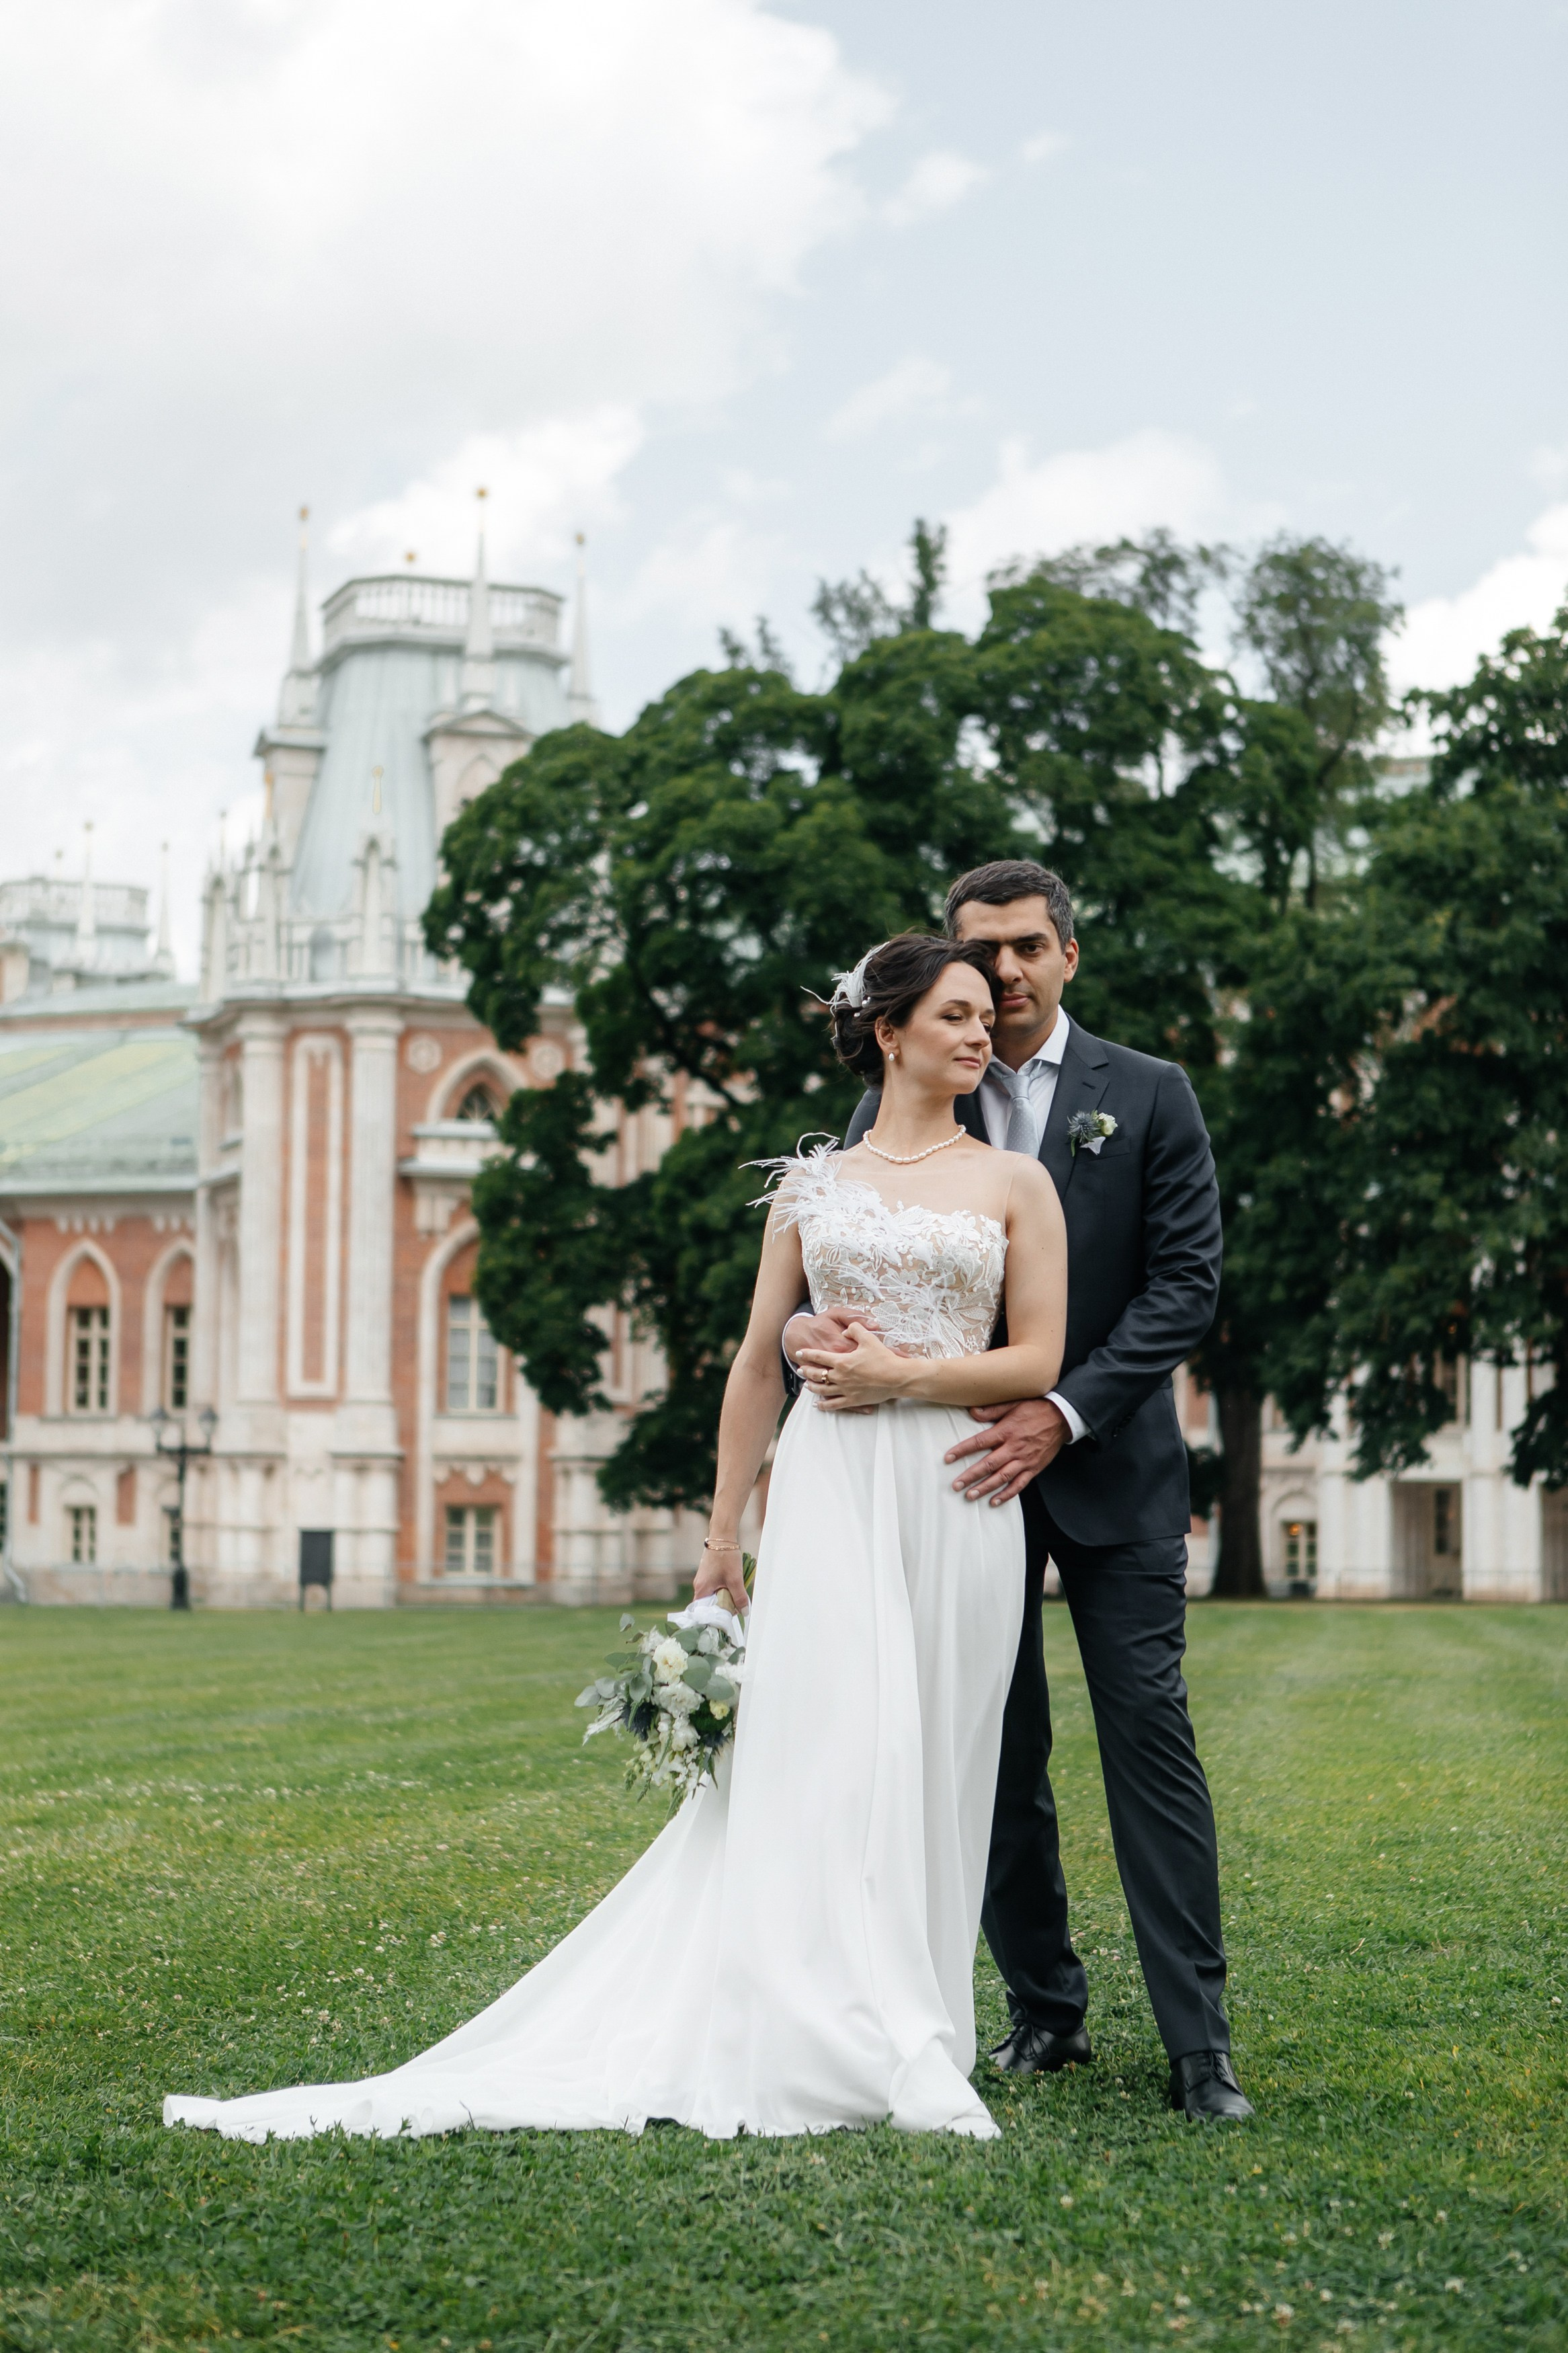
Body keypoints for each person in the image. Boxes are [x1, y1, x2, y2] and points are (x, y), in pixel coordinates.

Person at [163, 934, 1068, 2144]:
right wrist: (720, 1536)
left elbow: (1037, 1360)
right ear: (889, 1033)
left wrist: (904, 1376)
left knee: (945, 1762)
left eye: (985, 1017)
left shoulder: (1018, 1184)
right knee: (833, 1751)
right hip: (833, 1486)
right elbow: (757, 1362)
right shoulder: (814, 1187)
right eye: (955, 1015)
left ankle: (923, 2028)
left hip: (961, 1492)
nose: (980, 1033)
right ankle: (833, 2025)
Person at [785, 860, 1252, 2122]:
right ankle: (1041, 2015)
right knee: (984, 1752)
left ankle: (1198, 2049)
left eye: (1027, 947)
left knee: (1148, 1740)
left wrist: (1060, 1411)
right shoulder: (909, 1093)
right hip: (945, 1481)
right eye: (980, 950)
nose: (1004, 971)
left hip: (1109, 1468)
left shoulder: (1146, 1095)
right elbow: (825, 1268)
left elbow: (1182, 1288)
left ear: (1068, 954)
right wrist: (802, 1343)